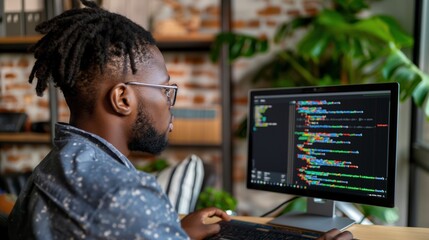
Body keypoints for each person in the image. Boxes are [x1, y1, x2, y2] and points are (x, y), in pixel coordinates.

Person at [7, 1, 354, 240]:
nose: (170, 104)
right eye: (164, 90)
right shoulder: (126, 195)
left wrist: (173, 232)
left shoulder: (49, 171)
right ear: (122, 98)